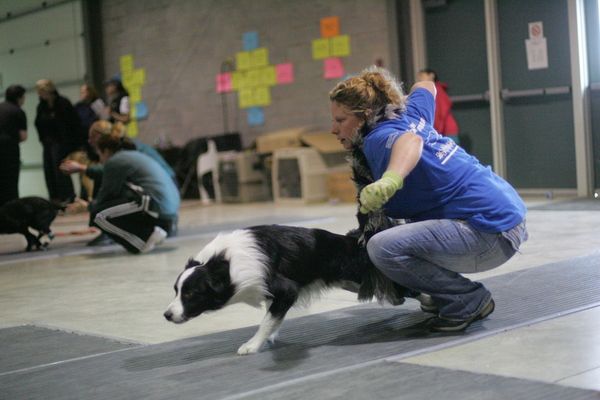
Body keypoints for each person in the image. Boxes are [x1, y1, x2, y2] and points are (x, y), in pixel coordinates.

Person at [329, 67, 527, 332]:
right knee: (383, 235)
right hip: (505, 218)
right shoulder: (410, 113)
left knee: (382, 247)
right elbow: (426, 86)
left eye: (341, 120)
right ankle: (438, 294)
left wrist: (391, 179)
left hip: (489, 233)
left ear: (365, 116)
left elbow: (409, 142)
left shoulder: (377, 137)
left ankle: (467, 299)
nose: (333, 129)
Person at [88, 133, 180, 254]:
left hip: (159, 209)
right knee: (117, 206)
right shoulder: (132, 155)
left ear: (106, 151)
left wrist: (87, 206)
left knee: (98, 215)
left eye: (99, 154)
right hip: (169, 212)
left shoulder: (115, 161)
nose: (100, 160)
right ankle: (151, 231)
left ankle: (143, 240)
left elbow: (105, 196)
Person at [34, 79, 80, 206]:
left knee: (60, 169)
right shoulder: (41, 106)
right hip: (48, 143)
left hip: (62, 142)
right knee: (49, 170)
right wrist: (43, 139)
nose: (40, 95)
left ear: (49, 90)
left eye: (41, 91)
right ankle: (54, 198)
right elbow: (38, 124)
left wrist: (73, 143)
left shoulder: (63, 103)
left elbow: (73, 123)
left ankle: (68, 197)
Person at [0, 85, 28, 206]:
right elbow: (23, 136)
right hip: (10, 151)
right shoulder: (18, 111)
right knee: (11, 183)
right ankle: (11, 211)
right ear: (19, 97)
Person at [418, 68, 459, 144]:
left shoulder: (436, 91)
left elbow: (441, 113)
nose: (419, 79)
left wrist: (436, 131)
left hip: (446, 130)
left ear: (431, 76)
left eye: (422, 76)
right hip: (445, 130)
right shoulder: (435, 90)